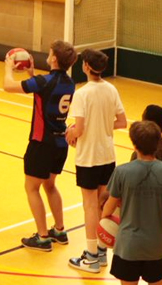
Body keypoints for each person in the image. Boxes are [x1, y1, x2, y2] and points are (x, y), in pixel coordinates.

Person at [1, 40, 77, 252]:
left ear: (53, 58)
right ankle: (59, 231)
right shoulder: (69, 82)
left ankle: (42, 237)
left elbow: (8, 86)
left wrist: (9, 68)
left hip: (41, 142)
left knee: (31, 187)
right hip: (59, 143)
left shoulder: (45, 82)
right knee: (50, 185)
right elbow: (44, 93)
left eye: (51, 52)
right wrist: (31, 74)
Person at [65, 49, 127, 273]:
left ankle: (91, 257)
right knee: (103, 203)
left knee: (90, 205)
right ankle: (101, 251)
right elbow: (122, 122)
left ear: (86, 67)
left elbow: (78, 129)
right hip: (107, 156)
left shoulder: (82, 93)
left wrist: (72, 132)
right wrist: (101, 127)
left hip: (89, 157)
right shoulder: (111, 89)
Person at [100, 121, 162, 285]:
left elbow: (108, 208)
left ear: (134, 144)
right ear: (158, 143)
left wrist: (105, 221)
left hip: (128, 246)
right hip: (156, 247)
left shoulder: (121, 172)